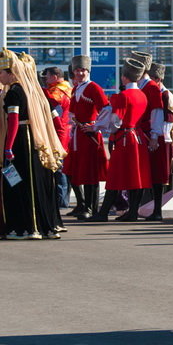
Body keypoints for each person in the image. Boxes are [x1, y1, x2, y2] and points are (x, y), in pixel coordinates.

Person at [0, 50, 64, 240]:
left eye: (1, 73)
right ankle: (41, 226)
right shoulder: (30, 89)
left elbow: (14, 122)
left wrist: (8, 147)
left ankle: (25, 227)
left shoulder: (14, 93)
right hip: (33, 138)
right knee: (34, 181)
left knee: (18, 183)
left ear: (11, 73)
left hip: (20, 140)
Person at [93, 58, 150, 222]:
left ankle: (103, 213)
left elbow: (116, 122)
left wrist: (107, 130)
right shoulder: (142, 95)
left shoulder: (121, 96)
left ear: (124, 77)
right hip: (138, 138)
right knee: (136, 176)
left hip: (124, 139)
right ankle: (132, 212)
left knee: (114, 176)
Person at [65, 55, 108, 221]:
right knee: (77, 169)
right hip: (78, 134)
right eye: (77, 70)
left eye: (82, 70)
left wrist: (95, 126)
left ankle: (92, 208)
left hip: (89, 135)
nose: (80, 73)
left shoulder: (94, 88)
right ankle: (83, 205)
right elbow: (73, 112)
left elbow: (106, 108)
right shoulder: (76, 88)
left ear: (88, 71)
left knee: (91, 172)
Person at [141, 62, 173, 221]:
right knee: (153, 175)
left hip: (162, 139)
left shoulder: (164, 94)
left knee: (159, 177)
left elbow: (169, 118)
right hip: (156, 138)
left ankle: (157, 210)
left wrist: (157, 136)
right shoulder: (157, 92)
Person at [41, 66, 73, 209]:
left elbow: (53, 106)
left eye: (47, 77)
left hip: (60, 133)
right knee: (64, 169)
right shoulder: (69, 88)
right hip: (68, 131)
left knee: (59, 169)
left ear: (54, 77)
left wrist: (39, 91)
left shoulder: (57, 92)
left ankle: (61, 201)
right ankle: (63, 199)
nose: (45, 80)